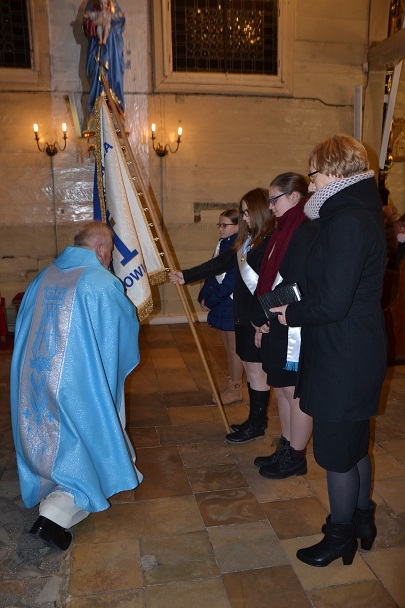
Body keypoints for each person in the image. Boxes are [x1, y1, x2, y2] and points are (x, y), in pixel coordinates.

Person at [271, 135, 387, 567]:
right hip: (352, 346)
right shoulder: (355, 212)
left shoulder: (347, 220)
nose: (311, 182)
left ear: (335, 171)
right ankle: (361, 520)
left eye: (314, 173)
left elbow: (333, 302)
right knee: (354, 446)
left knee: (338, 452)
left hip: (343, 353)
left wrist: (290, 313)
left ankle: (340, 537)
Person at [10, 221, 143, 551]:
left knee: (48, 437)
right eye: (110, 253)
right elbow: (124, 328)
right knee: (82, 442)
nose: (110, 260)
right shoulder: (101, 283)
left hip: (35, 381)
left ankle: (51, 489)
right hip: (76, 386)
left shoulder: (43, 277)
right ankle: (53, 518)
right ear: (100, 249)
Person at [169, 189, 274, 443]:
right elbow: (220, 264)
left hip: (258, 315)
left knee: (257, 371)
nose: (245, 218)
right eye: (243, 213)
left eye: (248, 213)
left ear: (261, 211)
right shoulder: (248, 240)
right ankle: (255, 421)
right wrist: (186, 276)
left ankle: (257, 423)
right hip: (244, 314)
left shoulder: (269, 240)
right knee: (251, 369)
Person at [251, 173, 318, 479]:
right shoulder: (282, 230)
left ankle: (296, 457)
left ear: (294, 197)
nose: (270, 206)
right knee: (280, 389)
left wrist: (262, 313)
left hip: (294, 323)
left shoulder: (305, 229)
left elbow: (296, 282)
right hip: (278, 317)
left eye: (274, 199)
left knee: (294, 393)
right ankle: (286, 446)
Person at [198, 209, 244, 404]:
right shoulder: (222, 244)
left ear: (238, 227)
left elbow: (229, 283)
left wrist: (211, 301)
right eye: (219, 224)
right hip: (223, 302)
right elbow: (212, 271)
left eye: (225, 225)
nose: (221, 228)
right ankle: (232, 382)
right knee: (228, 346)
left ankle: (236, 388)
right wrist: (204, 296)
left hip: (232, 302)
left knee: (234, 348)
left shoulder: (237, 247)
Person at [83, 0, 126, 126]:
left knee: (113, 73)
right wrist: (96, 22)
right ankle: (97, 108)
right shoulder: (92, 3)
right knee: (97, 72)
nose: (103, 5)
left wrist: (111, 21)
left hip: (112, 48)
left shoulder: (114, 5)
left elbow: (120, 22)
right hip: (96, 46)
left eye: (105, 3)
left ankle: (113, 108)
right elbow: (86, 25)